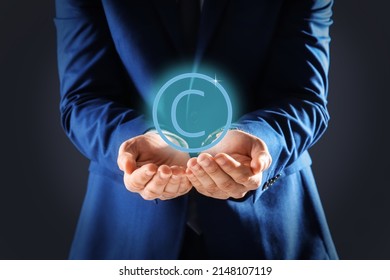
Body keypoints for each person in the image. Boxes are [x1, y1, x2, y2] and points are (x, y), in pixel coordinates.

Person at [54, 0, 338, 259]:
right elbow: (83, 98)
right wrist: (131, 142)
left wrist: (262, 140)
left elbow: (305, 97)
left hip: (273, 230)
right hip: (127, 231)